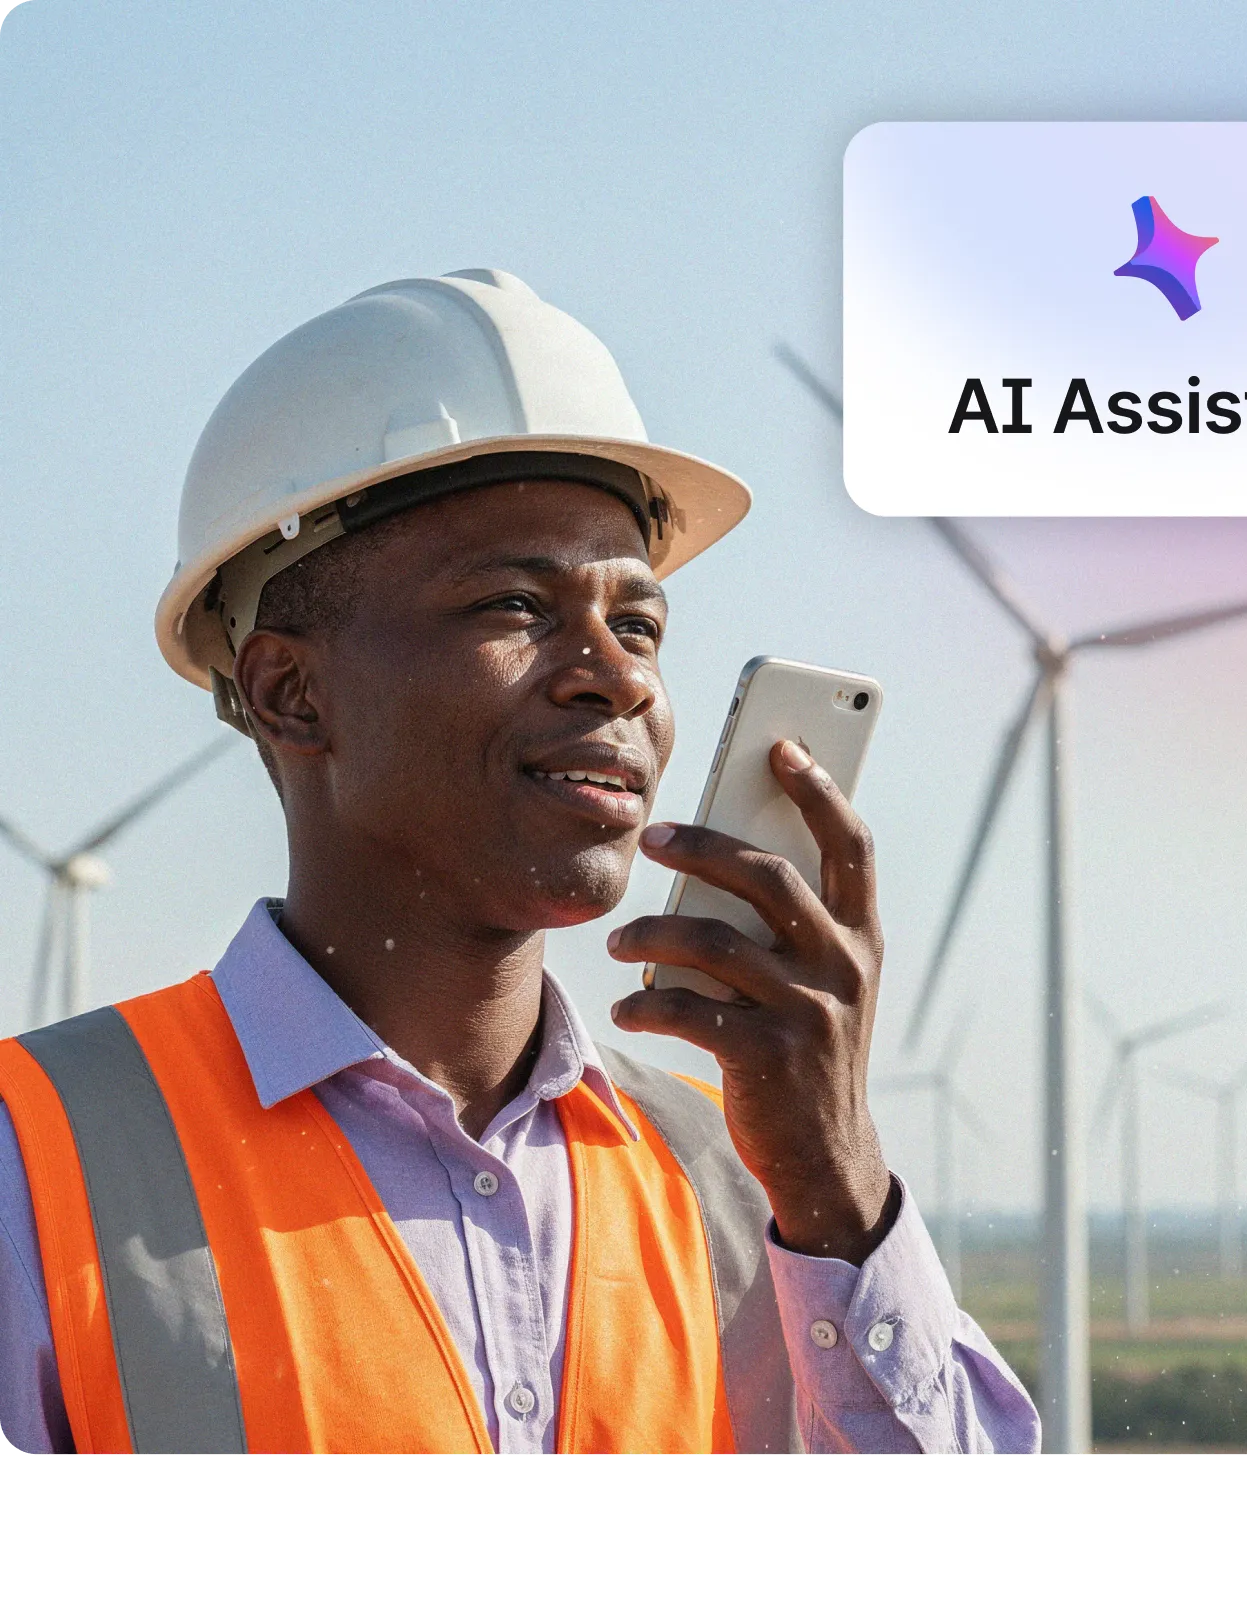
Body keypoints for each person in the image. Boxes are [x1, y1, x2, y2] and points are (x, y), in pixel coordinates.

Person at [0, 269, 1036, 1454]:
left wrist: (838, 1187)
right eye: (514, 606)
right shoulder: (36, 1160)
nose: (621, 677)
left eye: (638, 624)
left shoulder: (753, 1183)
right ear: (291, 693)